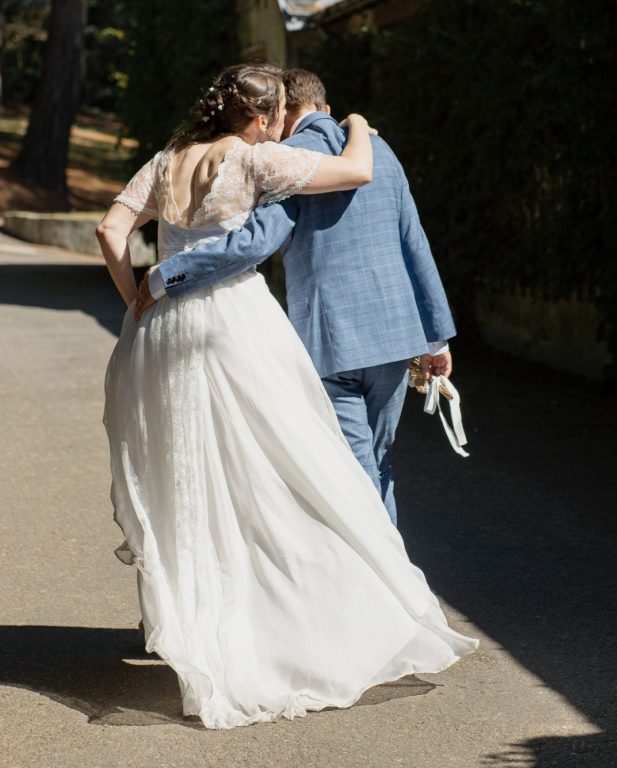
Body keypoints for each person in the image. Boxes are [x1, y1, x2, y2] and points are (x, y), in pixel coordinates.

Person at [97, 62, 477, 730]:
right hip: (326, 331)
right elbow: (394, 222)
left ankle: (200, 616)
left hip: (224, 334)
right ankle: (366, 612)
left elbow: (125, 231)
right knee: (330, 471)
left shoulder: (184, 159)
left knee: (197, 474)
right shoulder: (336, 151)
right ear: (268, 115)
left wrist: (145, 294)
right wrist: (436, 333)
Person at [135, 68, 457, 526]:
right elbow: (414, 242)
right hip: (396, 336)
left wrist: (169, 274)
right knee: (376, 462)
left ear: (283, 113)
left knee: (352, 464)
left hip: (330, 341)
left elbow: (253, 244)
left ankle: (382, 578)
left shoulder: (287, 159)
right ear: (324, 109)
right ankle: (389, 573)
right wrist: (436, 340)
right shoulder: (380, 150)